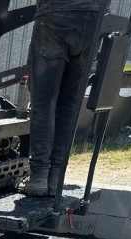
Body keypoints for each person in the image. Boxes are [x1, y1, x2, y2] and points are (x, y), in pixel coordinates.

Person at [19, 0, 107, 197]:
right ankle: (56, 176)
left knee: (44, 101)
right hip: (94, 18)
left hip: (57, 13)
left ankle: (39, 176)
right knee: (69, 101)